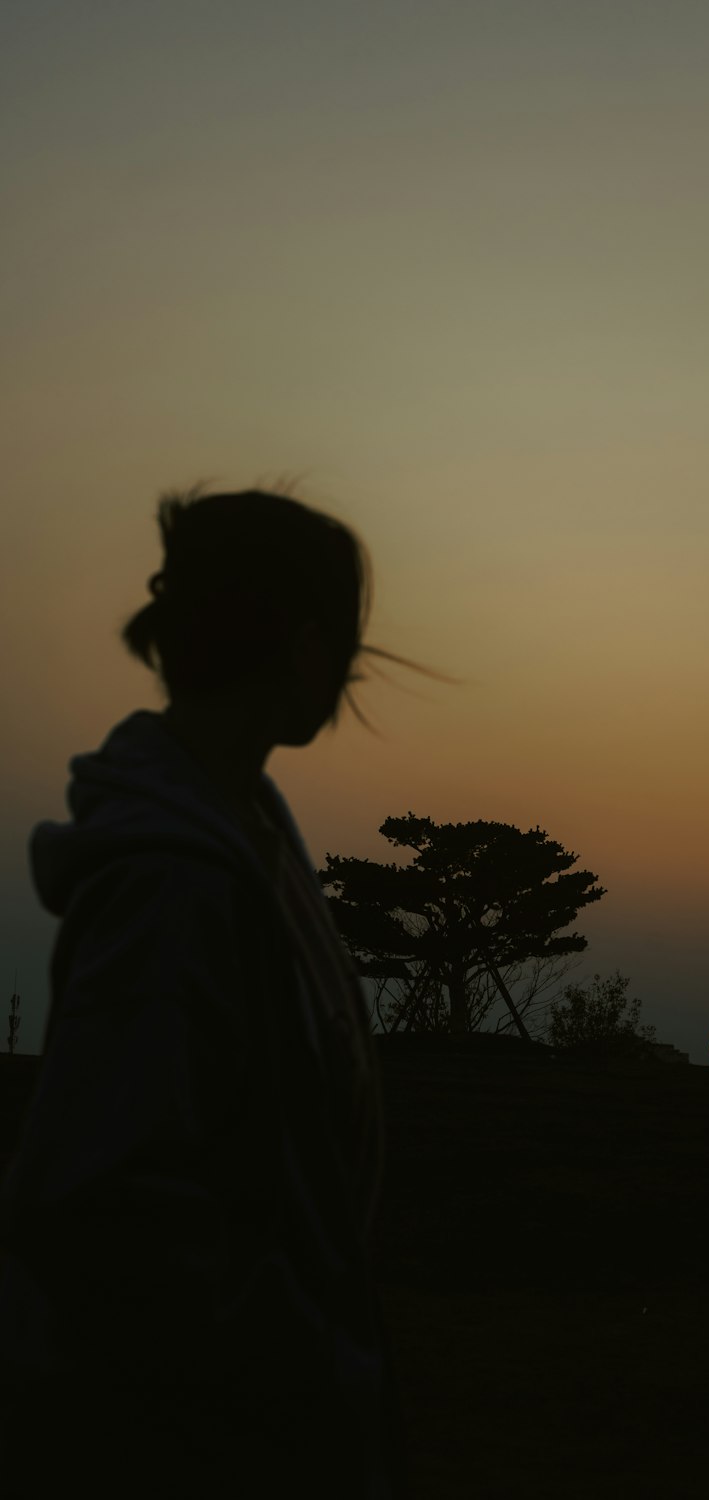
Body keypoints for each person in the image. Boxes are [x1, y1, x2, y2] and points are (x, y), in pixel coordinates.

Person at [0, 486, 451, 1496]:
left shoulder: (235, 831)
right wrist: (298, 1366)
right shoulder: (176, 882)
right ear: (302, 646)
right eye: (345, 643)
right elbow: (107, 1210)